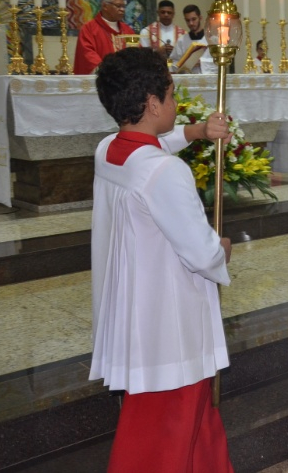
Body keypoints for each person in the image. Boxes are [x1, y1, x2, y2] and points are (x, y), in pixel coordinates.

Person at [90, 47, 234, 471]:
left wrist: (194, 133)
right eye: (171, 94)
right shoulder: (165, 173)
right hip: (169, 330)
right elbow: (201, 253)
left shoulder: (108, 151)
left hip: (134, 318)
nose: (174, 102)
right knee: (163, 437)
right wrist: (221, 249)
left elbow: (149, 147)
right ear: (152, 103)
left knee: (197, 425)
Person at [73, 0, 136, 74]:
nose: (122, 10)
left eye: (124, 6)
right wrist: (108, 71)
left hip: (126, 79)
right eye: (118, 6)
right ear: (105, 6)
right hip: (102, 79)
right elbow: (87, 54)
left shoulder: (128, 30)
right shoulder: (89, 29)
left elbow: (135, 52)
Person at [170, 5, 215, 74]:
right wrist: (183, 62)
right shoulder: (181, 41)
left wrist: (201, 62)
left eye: (194, 19)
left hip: (207, 81)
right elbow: (172, 61)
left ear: (200, 18)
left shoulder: (212, 40)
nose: (191, 23)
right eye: (188, 20)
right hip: (187, 81)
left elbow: (219, 63)